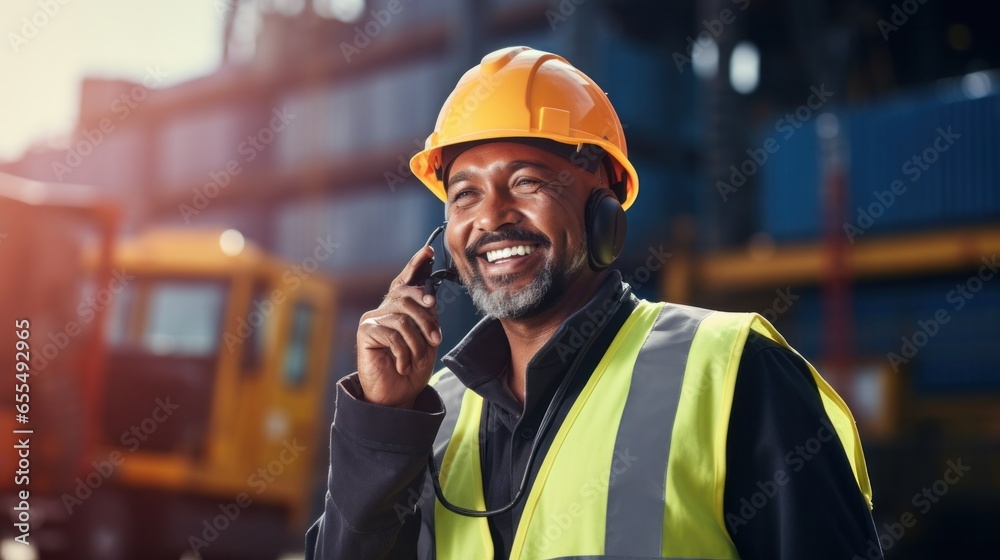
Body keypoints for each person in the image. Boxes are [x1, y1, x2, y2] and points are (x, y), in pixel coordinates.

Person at [306, 46, 882, 560]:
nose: (490, 217)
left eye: (527, 181)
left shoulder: (734, 372)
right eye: (464, 195)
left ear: (604, 209)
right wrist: (381, 424)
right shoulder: (431, 418)